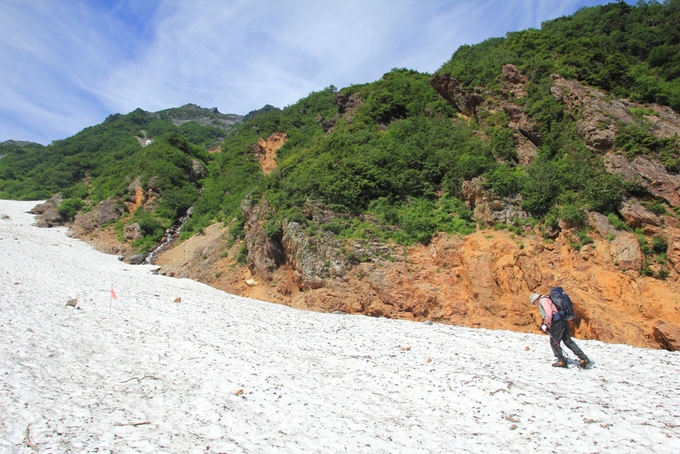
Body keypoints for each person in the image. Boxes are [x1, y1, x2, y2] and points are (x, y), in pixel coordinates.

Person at [529, 292, 591, 368]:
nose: (535, 305)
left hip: (557, 322)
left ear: (535, 300)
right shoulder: (548, 298)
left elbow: (549, 312)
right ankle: (583, 358)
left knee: (554, 342)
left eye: (533, 303)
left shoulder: (543, 300)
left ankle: (561, 361)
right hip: (563, 320)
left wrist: (546, 323)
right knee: (567, 340)